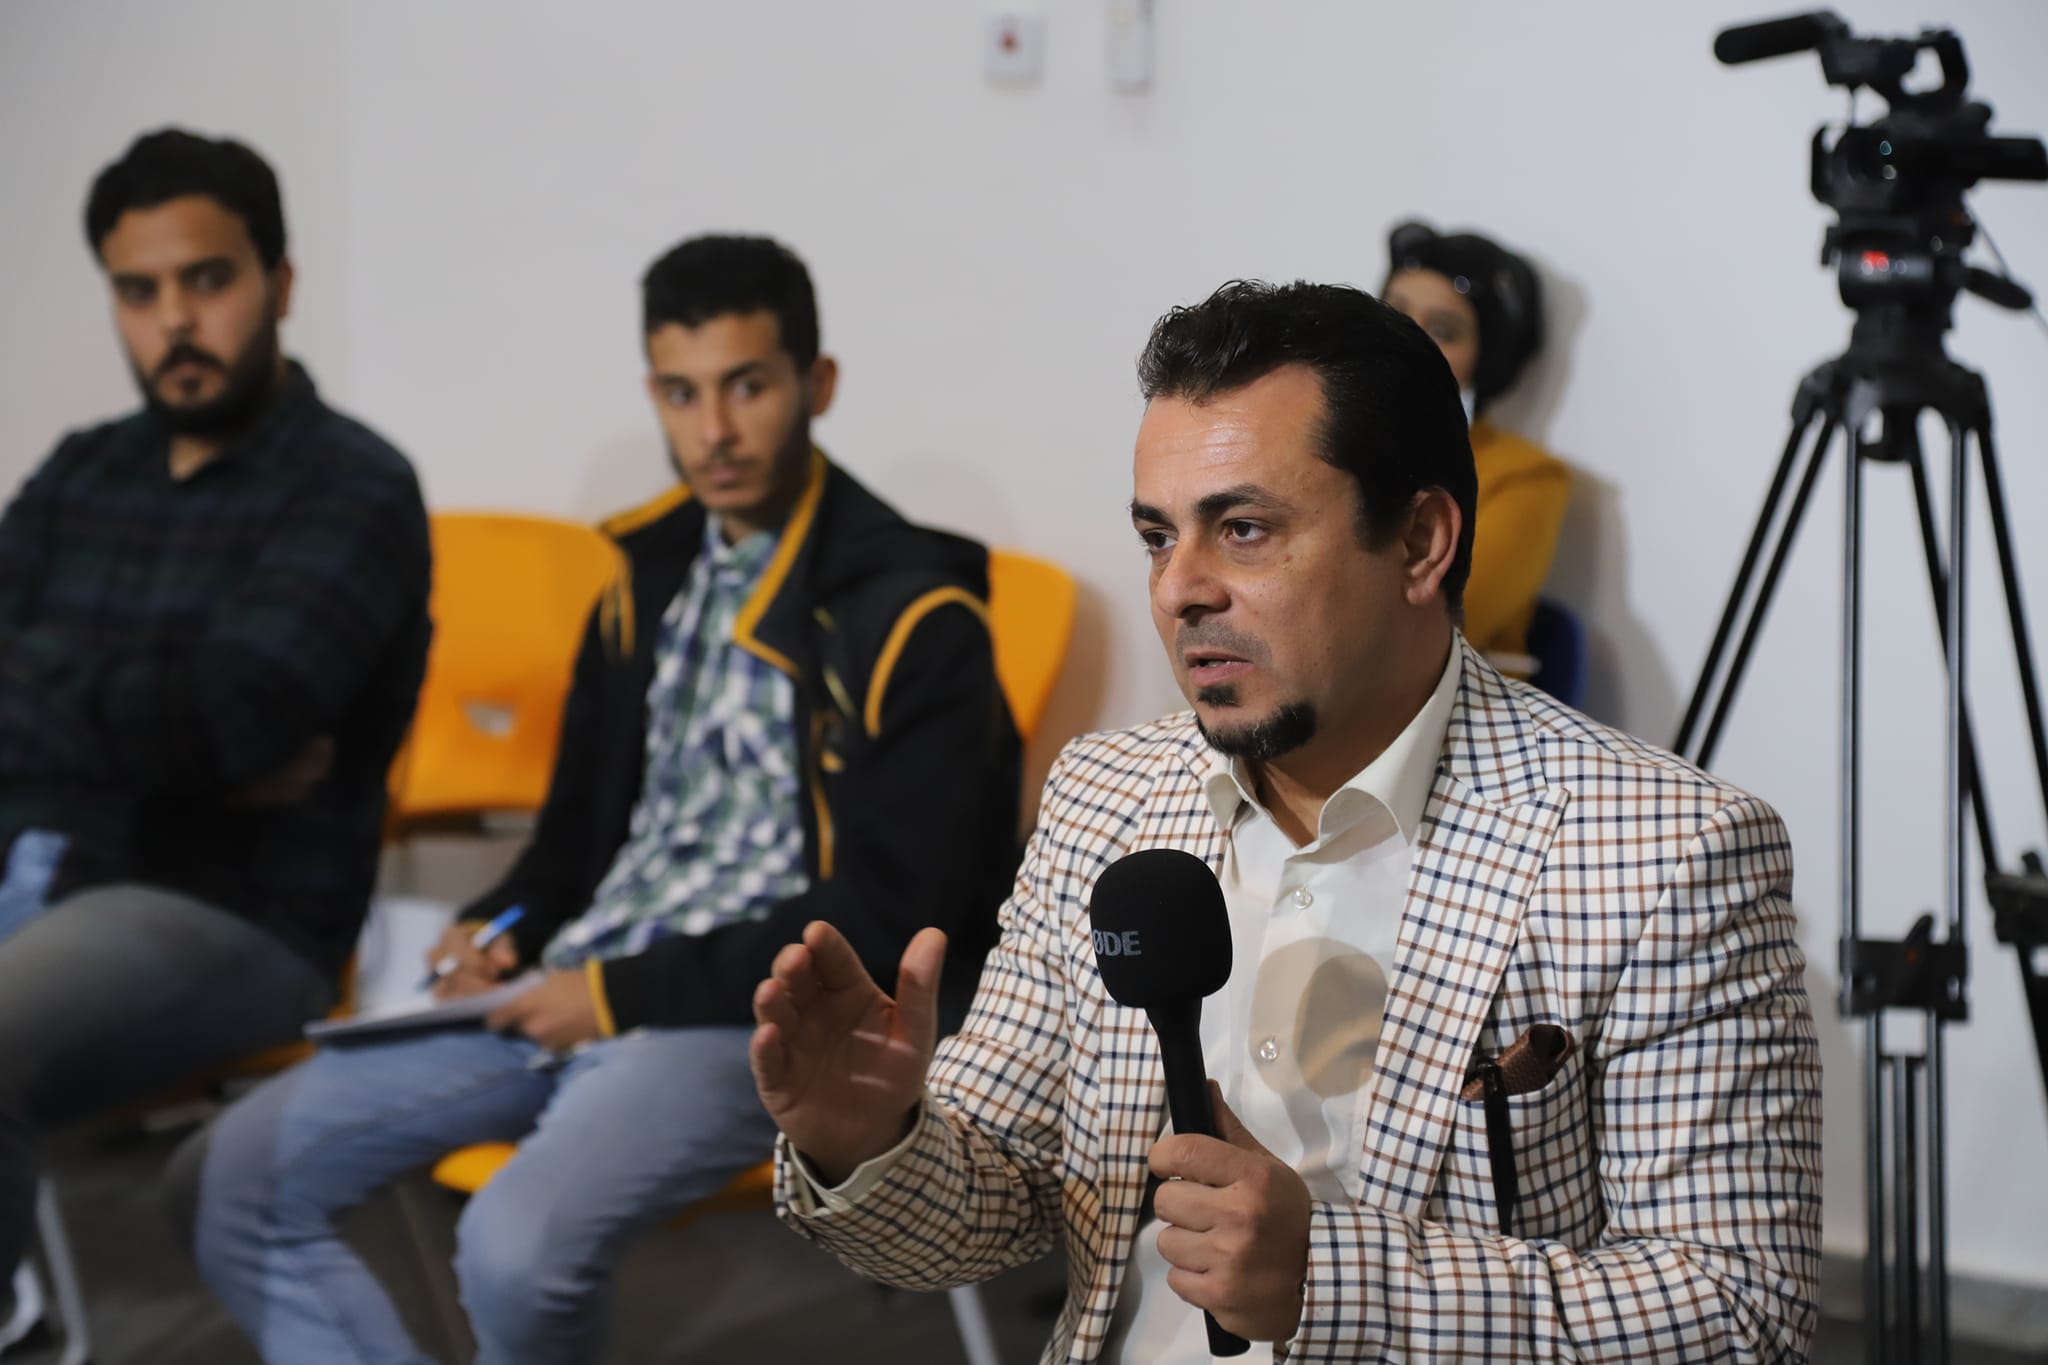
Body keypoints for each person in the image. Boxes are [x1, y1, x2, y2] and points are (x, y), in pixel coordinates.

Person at [753, 281, 1821, 1363]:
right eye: (1157, 536)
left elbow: (1739, 1313)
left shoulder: (1664, 851)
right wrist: (874, 1142)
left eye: (1244, 529)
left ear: (1419, 542)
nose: (1179, 589)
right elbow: (998, 1199)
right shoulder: (1105, 796)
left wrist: (1327, 1278)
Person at [180, 234, 1023, 1364]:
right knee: (227, 1176)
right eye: (680, 392)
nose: (713, 431)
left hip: (756, 1013)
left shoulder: (915, 618)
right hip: (576, 978)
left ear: (816, 385)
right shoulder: (642, 584)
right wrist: (499, 925)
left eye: (747, 387)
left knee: (512, 1252)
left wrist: (614, 994)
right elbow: (578, 839)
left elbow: (887, 918)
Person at [0, 128, 431, 1351]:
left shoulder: (353, 485)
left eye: (208, 280)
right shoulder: (84, 472)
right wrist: (156, 729)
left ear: (279, 283)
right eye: (138, 292)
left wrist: (55, 691)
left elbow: (237, 718)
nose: (175, 321)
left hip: (231, 910)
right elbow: (199, 732)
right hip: (37, 859)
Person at [1383, 221, 1571, 667]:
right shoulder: (1322, 436)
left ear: (1487, 359)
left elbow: (1439, 621)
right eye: (1393, 314)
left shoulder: (1525, 477)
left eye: (1443, 331)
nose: (1405, 340)